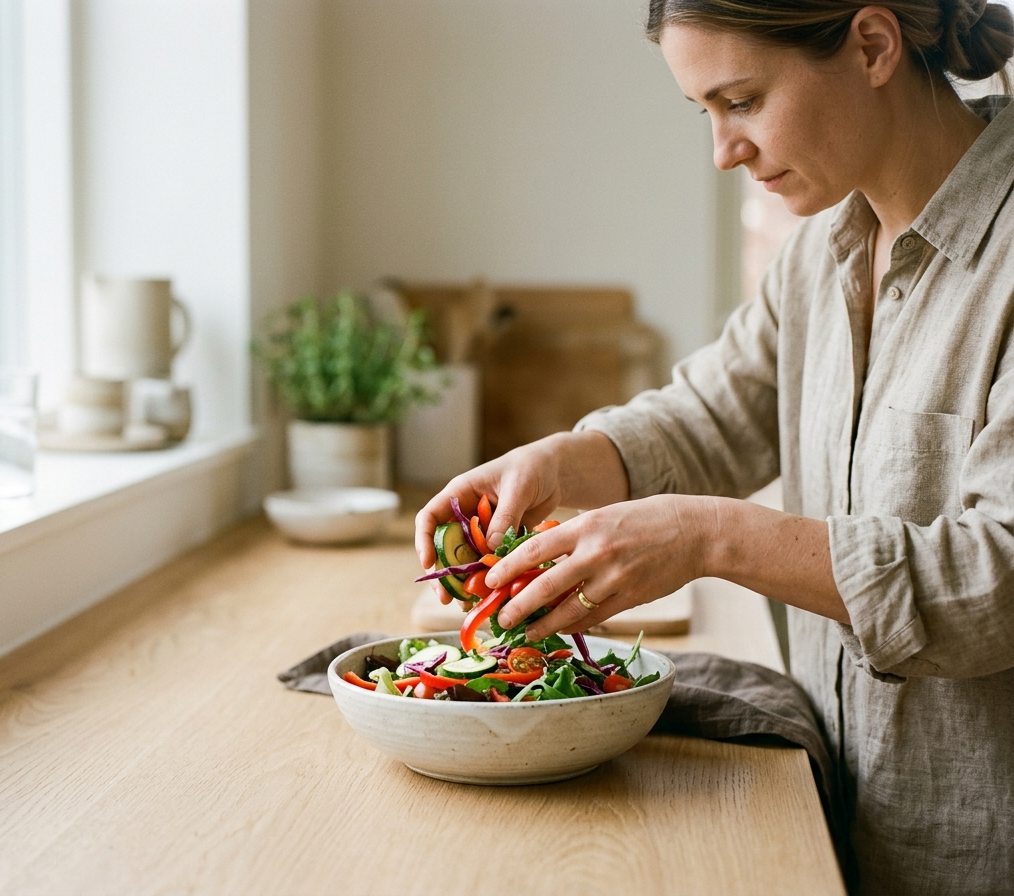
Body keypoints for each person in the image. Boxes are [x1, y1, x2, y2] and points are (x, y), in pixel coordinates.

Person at [414, 2, 1014, 893]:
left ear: (874, 45)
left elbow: (997, 578)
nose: (724, 150)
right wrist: (562, 461)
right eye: (705, 111)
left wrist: (711, 539)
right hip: (833, 830)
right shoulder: (821, 250)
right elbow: (715, 414)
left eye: (743, 100)